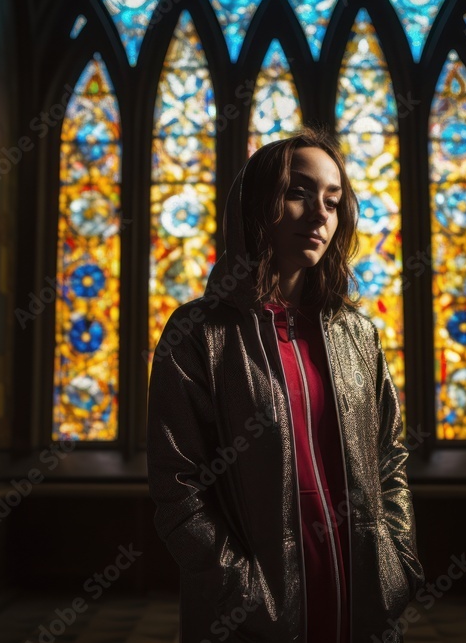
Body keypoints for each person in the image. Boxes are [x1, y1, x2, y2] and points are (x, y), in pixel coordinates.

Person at [147, 126, 424, 642]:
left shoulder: (358, 333)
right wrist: (240, 589)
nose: (320, 213)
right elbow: (177, 483)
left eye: (333, 200)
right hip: (253, 606)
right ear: (256, 207)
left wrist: (397, 563)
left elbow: (390, 457)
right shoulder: (198, 334)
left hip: (359, 591)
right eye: (298, 193)